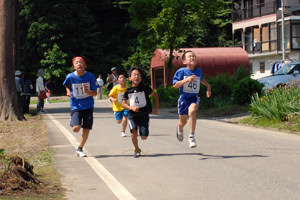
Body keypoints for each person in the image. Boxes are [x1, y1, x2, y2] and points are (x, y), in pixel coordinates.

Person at [173, 50, 211, 148]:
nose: (192, 57)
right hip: (183, 99)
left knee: (192, 111)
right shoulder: (181, 71)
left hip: (194, 98)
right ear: (184, 61)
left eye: (194, 56)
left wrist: (208, 87)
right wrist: (186, 80)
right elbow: (175, 85)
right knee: (183, 122)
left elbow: (201, 79)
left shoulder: (198, 71)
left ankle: (191, 136)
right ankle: (180, 129)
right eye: (189, 56)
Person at [63, 56, 99, 157]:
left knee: (86, 129)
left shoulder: (90, 76)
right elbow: (66, 85)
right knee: (76, 129)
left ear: (85, 65)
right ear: (74, 66)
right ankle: (73, 121)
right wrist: (68, 91)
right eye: (77, 63)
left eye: (81, 62)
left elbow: (95, 93)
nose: (79, 64)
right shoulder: (70, 77)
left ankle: (79, 148)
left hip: (88, 106)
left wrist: (87, 91)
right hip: (76, 105)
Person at [122, 66, 159, 158]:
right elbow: (123, 103)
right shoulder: (128, 90)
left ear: (141, 78)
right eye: (134, 75)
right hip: (132, 116)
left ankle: (141, 129)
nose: (136, 77)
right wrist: (131, 108)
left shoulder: (145, 88)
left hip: (144, 115)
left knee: (144, 137)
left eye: (138, 75)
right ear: (130, 78)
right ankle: (137, 149)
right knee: (134, 132)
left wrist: (156, 109)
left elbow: (155, 96)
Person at [108, 73, 129, 137]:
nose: (122, 79)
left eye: (123, 78)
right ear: (118, 80)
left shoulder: (127, 88)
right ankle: (117, 116)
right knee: (118, 121)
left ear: (125, 80)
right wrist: (113, 99)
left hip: (125, 106)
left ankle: (123, 131)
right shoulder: (115, 88)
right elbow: (110, 96)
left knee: (125, 118)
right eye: (121, 78)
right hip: (117, 107)